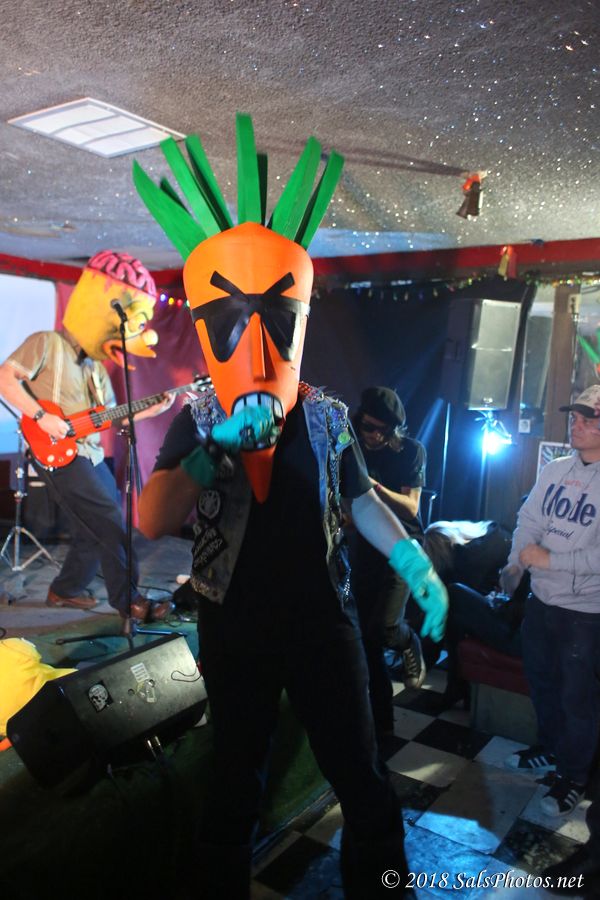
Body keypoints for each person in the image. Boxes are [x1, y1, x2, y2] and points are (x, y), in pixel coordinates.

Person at [134, 114, 448, 899]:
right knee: (234, 781)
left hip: (322, 624)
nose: (258, 337)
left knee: (362, 777)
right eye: (237, 318)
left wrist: (414, 562)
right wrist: (219, 448)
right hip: (233, 625)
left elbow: (363, 504)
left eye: (275, 317)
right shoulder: (199, 416)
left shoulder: (330, 418)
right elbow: (153, 518)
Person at [0, 251, 174, 629]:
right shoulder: (46, 342)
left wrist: (151, 411)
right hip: (59, 454)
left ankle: (64, 589)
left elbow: (109, 417)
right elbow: (5, 378)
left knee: (92, 528)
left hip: (90, 453)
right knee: (112, 523)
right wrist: (41, 416)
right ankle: (131, 601)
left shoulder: (97, 369)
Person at [501, 384, 600, 818]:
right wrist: (515, 565)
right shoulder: (556, 469)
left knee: (578, 699)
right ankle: (552, 750)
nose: (574, 425)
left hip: (585, 614)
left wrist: (551, 559)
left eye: (586, 418)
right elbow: (528, 520)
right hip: (541, 601)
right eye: (574, 417)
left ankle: (574, 777)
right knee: (542, 683)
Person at [349, 386, 428, 748]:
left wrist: (373, 487)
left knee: (382, 629)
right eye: (369, 427)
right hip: (365, 547)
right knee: (366, 640)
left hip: (402, 546)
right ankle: (382, 725)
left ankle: (409, 639)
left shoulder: (411, 451)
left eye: (383, 430)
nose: (375, 436)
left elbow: (411, 507)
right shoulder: (350, 443)